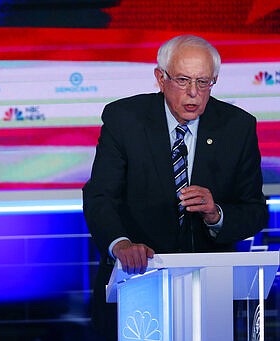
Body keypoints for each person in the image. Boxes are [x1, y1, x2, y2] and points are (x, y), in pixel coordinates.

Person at [82, 34, 269, 340]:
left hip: (210, 292)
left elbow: (255, 211)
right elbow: (100, 196)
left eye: (203, 82)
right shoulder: (125, 119)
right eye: (183, 80)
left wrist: (216, 214)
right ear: (161, 78)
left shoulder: (238, 127)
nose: (193, 93)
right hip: (137, 283)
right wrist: (122, 244)